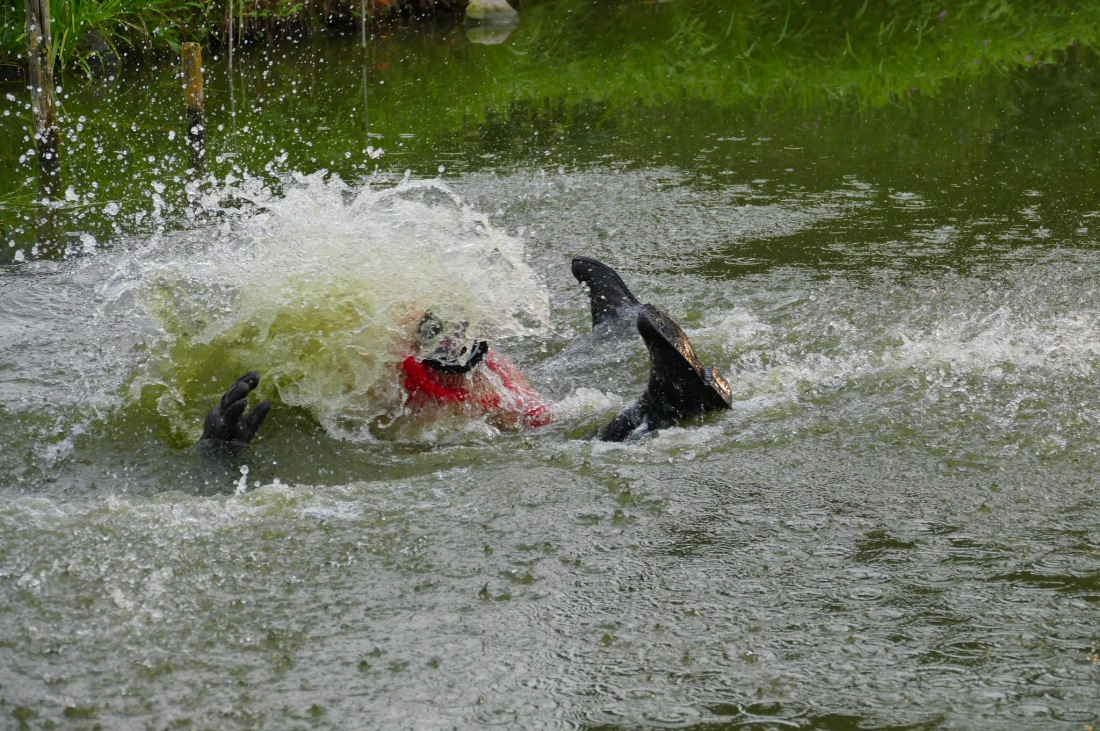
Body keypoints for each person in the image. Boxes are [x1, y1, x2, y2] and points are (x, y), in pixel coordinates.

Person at [201, 258, 730, 444]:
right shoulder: (333, 390)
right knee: (564, 405)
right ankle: (655, 394)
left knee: (554, 427)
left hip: (526, 412)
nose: (457, 354)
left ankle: (644, 371)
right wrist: (219, 458)